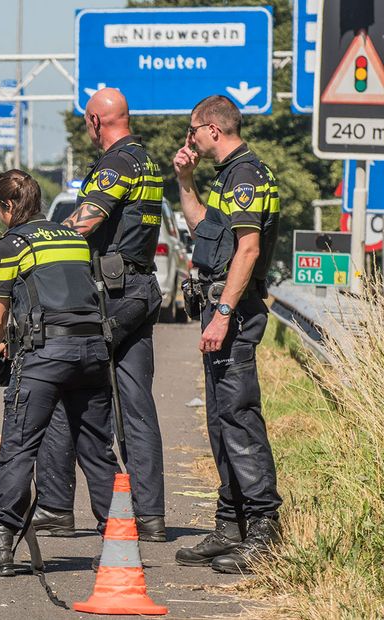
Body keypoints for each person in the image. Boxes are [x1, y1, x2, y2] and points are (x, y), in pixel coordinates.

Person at [0, 170, 118, 576]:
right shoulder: (72, 238)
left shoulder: (12, 243)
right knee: (97, 450)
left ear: (8, 206)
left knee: (18, 447)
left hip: (45, 356)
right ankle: (120, 540)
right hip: (93, 352)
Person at [33, 87, 166, 542]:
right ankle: (148, 516)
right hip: (140, 288)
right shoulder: (146, 161)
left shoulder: (116, 164)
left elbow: (83, 225)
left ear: (94, 122)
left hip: (110, 293)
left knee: (58, 380)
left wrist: (35, 242)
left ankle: (54, 507)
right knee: (137, 405)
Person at [173, 95, 282, 574]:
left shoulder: (246, 175)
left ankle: (264, 530)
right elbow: (203, 231)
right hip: (222, 309)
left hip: (233, 312)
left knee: (238, 418)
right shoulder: (226, 176)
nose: (190, 138)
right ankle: (231, 524)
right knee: (220, 421)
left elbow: (248, 250)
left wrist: (221, 313)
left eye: (194, 129)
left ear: (212, 129)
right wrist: (184, 180)